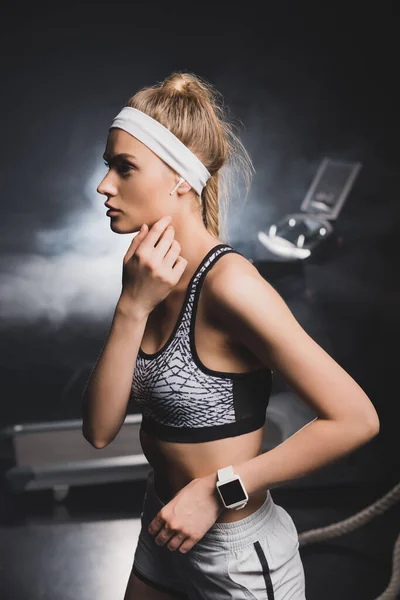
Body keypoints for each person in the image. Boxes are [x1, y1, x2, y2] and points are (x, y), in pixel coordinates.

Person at [83, 71, 380, 599]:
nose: (104, 185)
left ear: (179, 177)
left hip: (233, 551)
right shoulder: (147, 273)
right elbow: (100, 430)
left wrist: (218, 492)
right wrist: (131, 306)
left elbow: (355, 419)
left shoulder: (230, 286)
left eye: (123, 167)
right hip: (164, 525)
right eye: (109, 166)